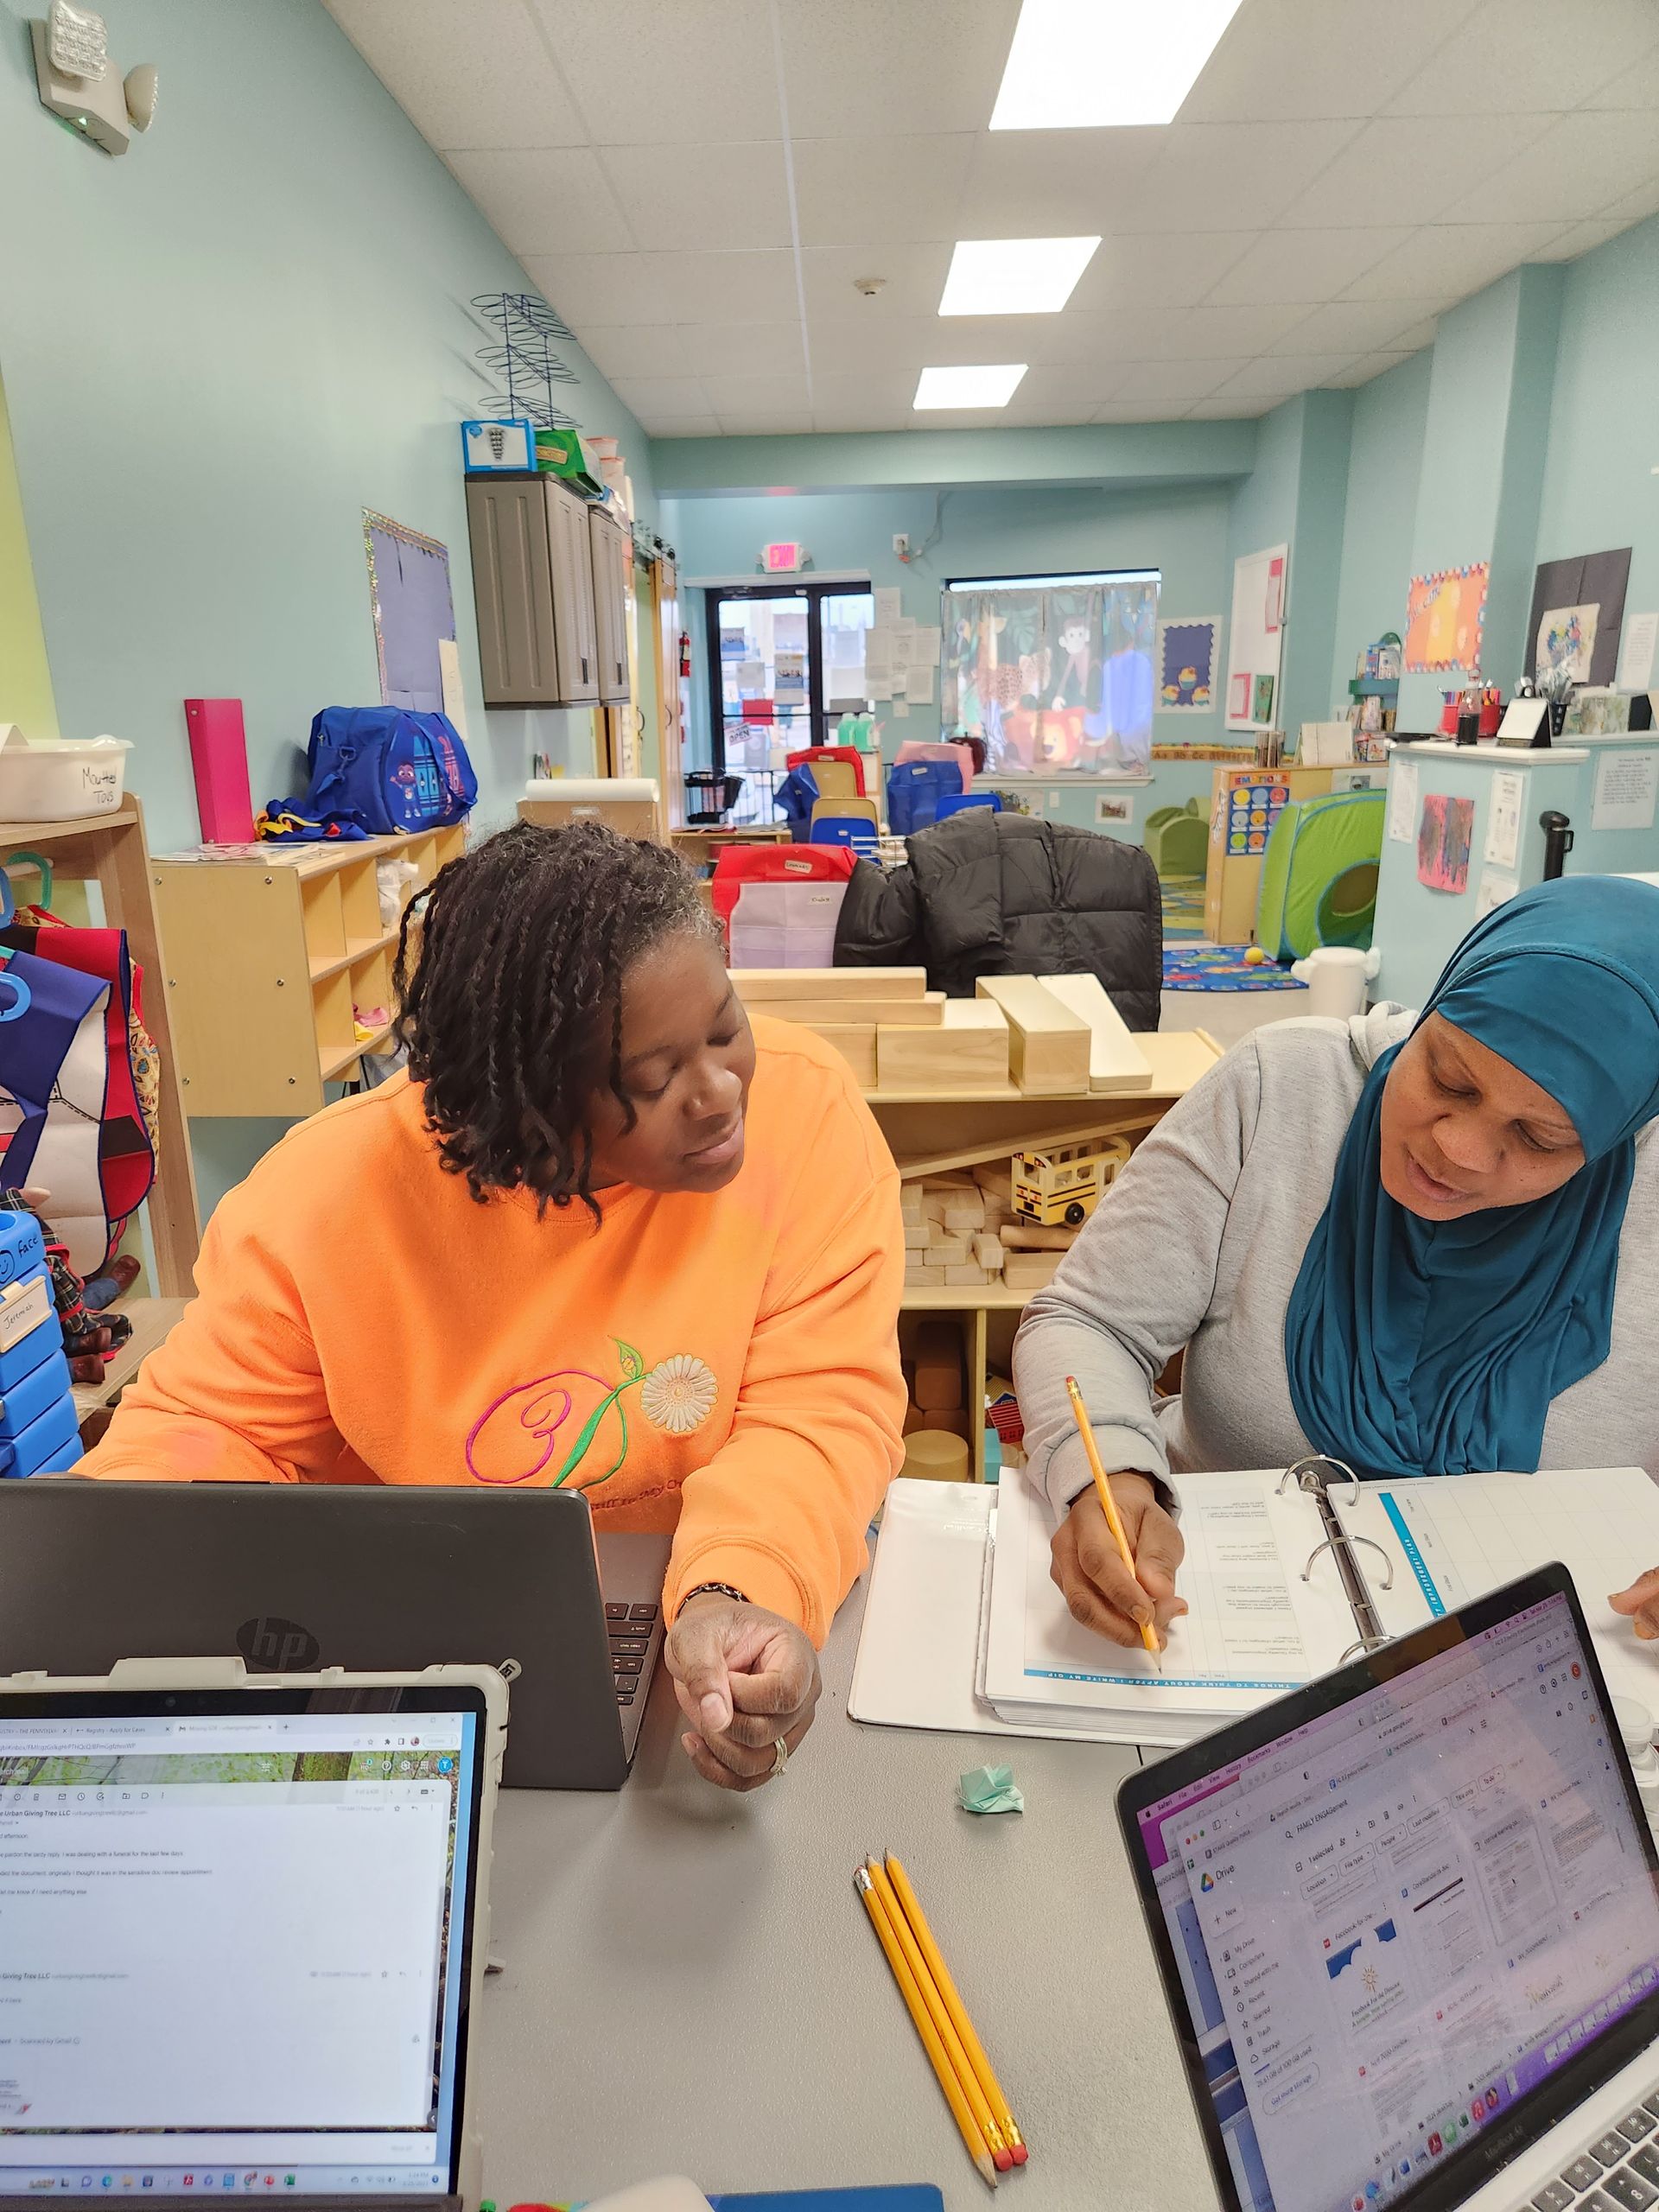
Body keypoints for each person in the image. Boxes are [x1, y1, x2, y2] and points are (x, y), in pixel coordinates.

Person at [83, 821, 906, 1791]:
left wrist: (741, 1593)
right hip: (411, 1658)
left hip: (686, 1644)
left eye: (727, 1028)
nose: (721, 1091)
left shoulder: (805, 1121)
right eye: (654, 1078)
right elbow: (208, 1434)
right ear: (528, 1113)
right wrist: (90, 1580)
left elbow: (818, 1411)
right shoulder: (323, 1195)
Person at [1012, 876, 1659, 1651]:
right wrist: (1109, 1474)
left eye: (1540, 1139)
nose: (1457, 1148)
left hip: (1544, 1662)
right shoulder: (1280, 1087)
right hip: (1216, 1610)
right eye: (1447, 1077)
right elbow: (1090, 1319)